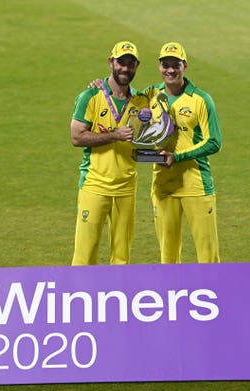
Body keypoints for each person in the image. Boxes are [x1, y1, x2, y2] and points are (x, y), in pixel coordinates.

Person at [70, 41, 149, 265]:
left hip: (126, 187)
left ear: (137, 66)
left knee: (122, 258)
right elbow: (76, 137)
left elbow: (160, 124)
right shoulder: (90, 96)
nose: (125, 68)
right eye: (121, 62)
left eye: (130, 64)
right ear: (111, 62)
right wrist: (114, 135)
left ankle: (117, 298)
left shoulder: (142, 101)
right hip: (95, 185)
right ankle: (80, 298)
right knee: (85, 256)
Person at [144, 42, 222, 263]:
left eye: (175, 64)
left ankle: (215, 296)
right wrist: (100, 86)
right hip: (163, 186)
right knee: (167, 259)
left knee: (208, 257)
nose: (170, 70)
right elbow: (124, 103)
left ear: (184, 65)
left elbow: (214, 142)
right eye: (165, 64)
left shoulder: (201, 99)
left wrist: (178, 157)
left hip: (196, 187)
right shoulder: (150, 95)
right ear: (159, 66)